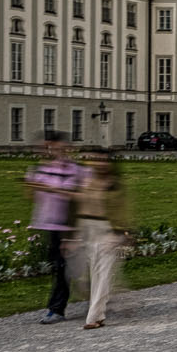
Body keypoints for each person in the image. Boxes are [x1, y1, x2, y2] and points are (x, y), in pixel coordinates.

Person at [25, 136, 84, 325]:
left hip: (68, 225)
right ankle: (89, 289)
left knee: (62, 267)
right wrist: (32, 184)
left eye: (56, 148)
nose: (51, 152)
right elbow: (31, 197)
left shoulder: (76, 170)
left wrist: (50, 188)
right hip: (48, 224)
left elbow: (78, 197)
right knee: (60, 266)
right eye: (48, 148)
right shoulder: (42, 169)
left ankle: (56, 308)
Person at [76, 150, 126, 329]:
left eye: (103, 161)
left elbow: (122, 210)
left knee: (103, 274)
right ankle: (99, 312)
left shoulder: (113, 185)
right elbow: (80, 207)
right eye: (96, 160)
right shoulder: (88, 183)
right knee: (95, 274)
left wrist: (121, 232)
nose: (99, 164)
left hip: (107, 230)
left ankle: (93, 317)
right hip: (89, 229)